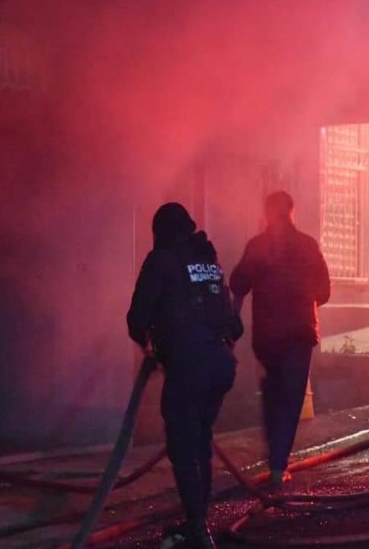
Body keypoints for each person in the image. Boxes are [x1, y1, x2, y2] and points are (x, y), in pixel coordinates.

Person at [127, 203, 242, 549]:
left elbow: (136, 319)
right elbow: (234, 325)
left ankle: (197, 528)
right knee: (200, 439)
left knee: (183, 446)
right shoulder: (208, 260)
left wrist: (151, 348)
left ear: (160, 232)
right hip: (220, 366)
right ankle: (199, 520)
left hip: (189, 365)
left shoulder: (160, 260)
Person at [229, 190, 330, 485]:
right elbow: (324, 292)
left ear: (266, 214)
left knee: (273, 393)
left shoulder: (257, 245)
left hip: (268, 336)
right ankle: (277, 464)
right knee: (291, 397)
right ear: (292, 212)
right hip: (300, 332)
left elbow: (238, 283)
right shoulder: (308, 246)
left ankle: (275, 457)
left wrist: (234, 318)